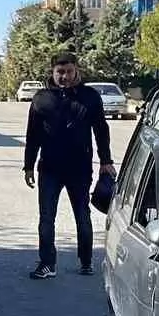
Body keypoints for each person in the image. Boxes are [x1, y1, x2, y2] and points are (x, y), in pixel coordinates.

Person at [23, 52, 114, 279]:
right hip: (49, 168)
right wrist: (28, 165)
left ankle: (86, 261)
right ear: (52, 73)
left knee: (82, 214)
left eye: (69, 71)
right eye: (60, 72)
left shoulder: (90, 97)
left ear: (76, 71)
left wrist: (106, 161)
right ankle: (47, 264)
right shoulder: (41, 99)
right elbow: (32, 135)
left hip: (79, 169)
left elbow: (101, 130)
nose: (64, 76)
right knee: (46, 217)